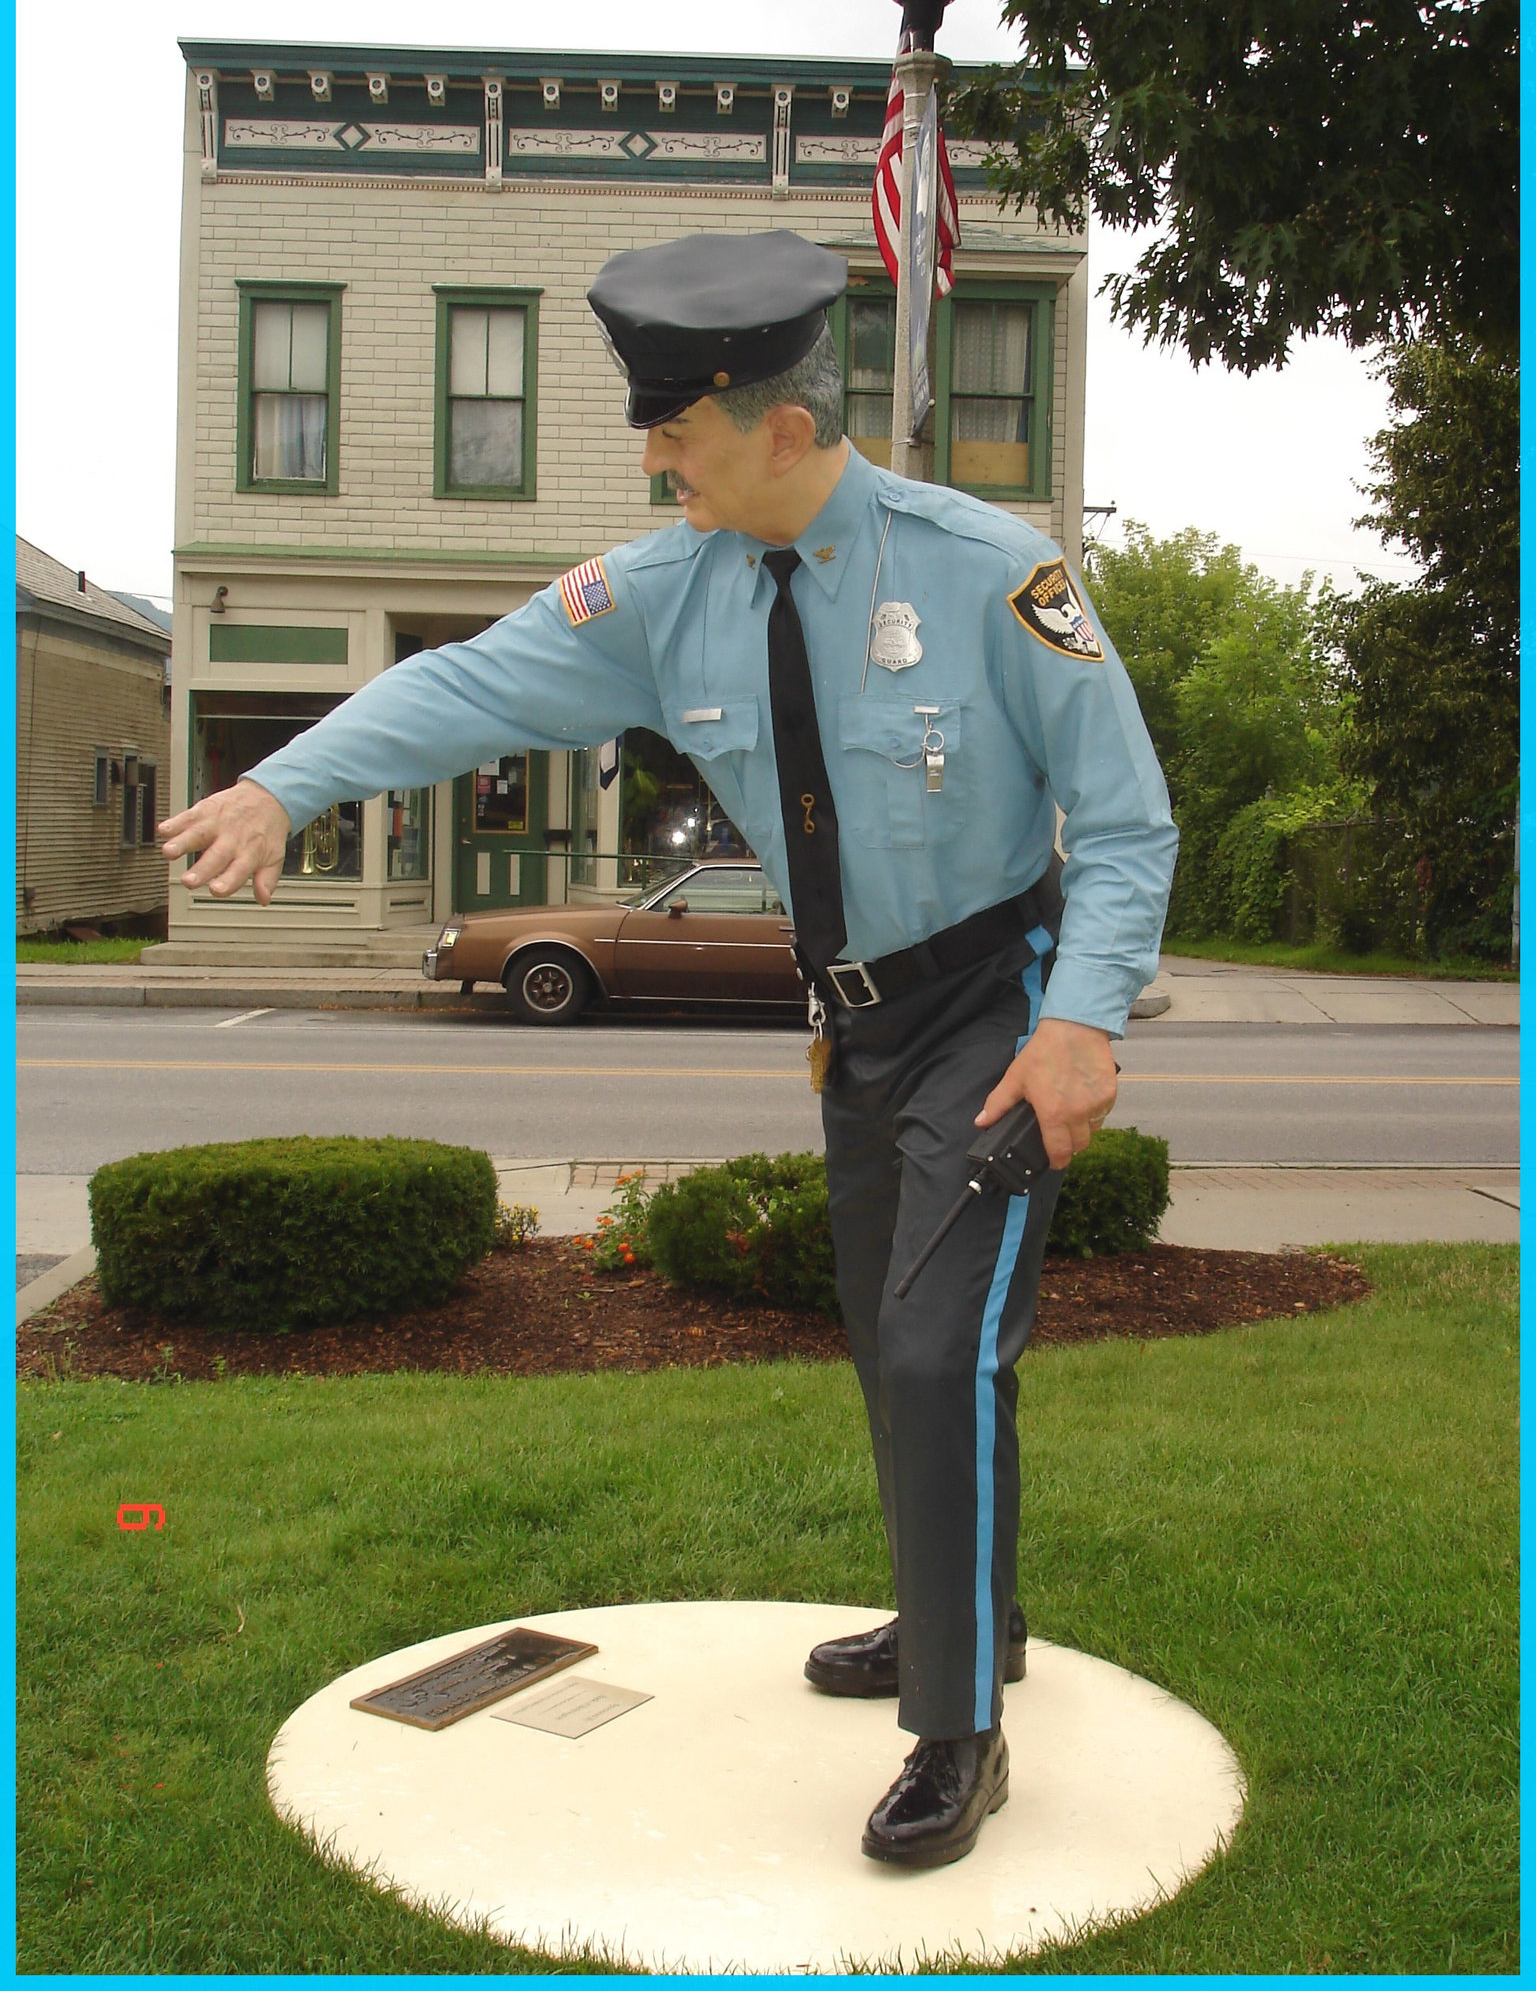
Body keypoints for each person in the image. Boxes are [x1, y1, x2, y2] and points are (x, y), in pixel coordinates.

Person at [160, 229, 1177, 1870]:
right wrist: (289, 784)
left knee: (936, 1348)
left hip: (999, 1005)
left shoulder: (995, 570)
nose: (655, 461)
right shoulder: (661, 591)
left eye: (677, 434)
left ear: (783, 428)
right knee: (884, 1336)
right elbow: (467, 684)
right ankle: (957, 1621)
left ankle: (959, 1734)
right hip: (857, 1028)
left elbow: (1127, 824)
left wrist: (1081, 1027)